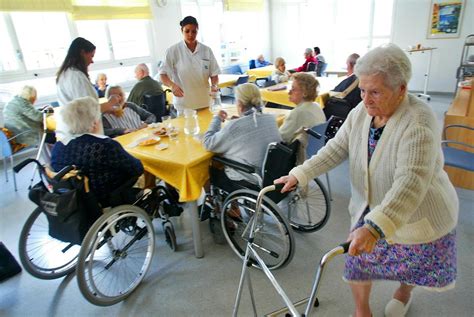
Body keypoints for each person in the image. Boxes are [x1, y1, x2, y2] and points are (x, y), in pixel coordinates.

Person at [275, 44, 458, 317]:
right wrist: (300, 173)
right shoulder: (362, 111)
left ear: (401, 89)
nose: (366, 99)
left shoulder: (419, 121)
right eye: (362, 90)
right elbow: (337, 148)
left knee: (412, 264)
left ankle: (404, 291)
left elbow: (411, 182)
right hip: (371, 203)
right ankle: (362, 312)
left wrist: (375, 228)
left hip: (417, 208)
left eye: (375, 92)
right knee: (357, 260)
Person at [51, 96, 144, 206]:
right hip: (104, 198)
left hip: (72, 199)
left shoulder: (58, 147)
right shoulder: (104, 145)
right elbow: (137, 169)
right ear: (94, 123)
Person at [203, 83, 281, 184]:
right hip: (272, 173)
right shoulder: (271, 118)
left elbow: (208, 143)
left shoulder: (235, 126)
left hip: (250, 178)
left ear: (239, 103)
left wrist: (217, 119)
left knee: (210, 168)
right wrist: (240, 120)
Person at [56, 37, 119, 139]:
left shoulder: (64, 74)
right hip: (81, 133)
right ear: (82, 53)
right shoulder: (76, 77)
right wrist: (110, 103)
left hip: (71, 131)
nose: (92, 61)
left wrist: (107, 109)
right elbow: (87, 110)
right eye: (91, 56)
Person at [160, 16, 220, 111]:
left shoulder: (206, 50)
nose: (190, 35)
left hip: (205, 101)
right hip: (184, 104)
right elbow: (163, 75)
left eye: (194, 31)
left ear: (197, 30)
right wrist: (172, 86)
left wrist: (214, 86)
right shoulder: (173, 51)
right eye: (187, 31)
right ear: (181, 31)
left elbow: (214, 74)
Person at [279, 73, 326, 143]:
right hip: (314, 149)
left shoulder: (298, 113)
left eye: (293, 89)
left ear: (305, 93)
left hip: (300, 152)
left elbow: (280, 138)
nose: (289, 92)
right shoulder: (317, 106)